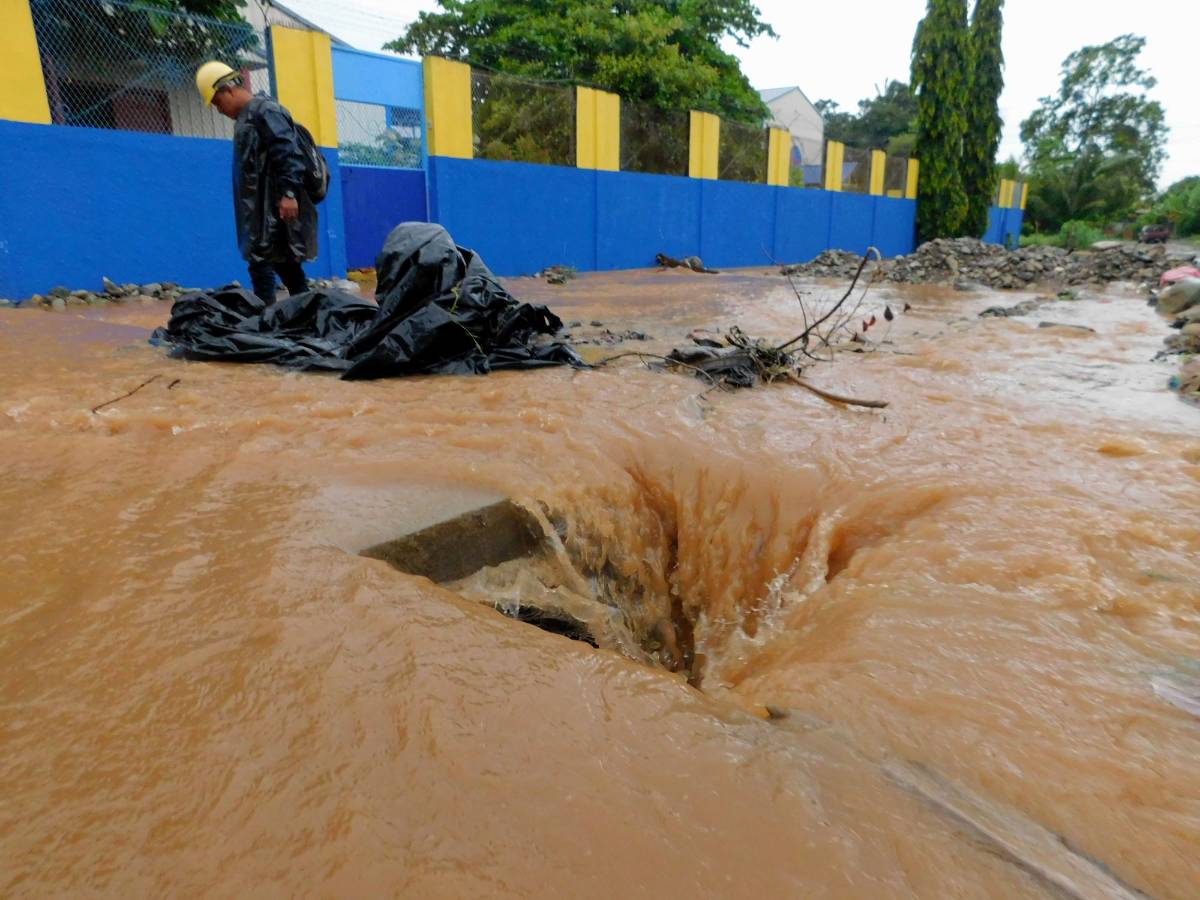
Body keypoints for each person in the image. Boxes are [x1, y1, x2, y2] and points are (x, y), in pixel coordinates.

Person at [195, 61, 320, 304]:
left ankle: (269, 323)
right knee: (285, 268)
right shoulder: (248, 117)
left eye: (218, 103)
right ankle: (303, 317)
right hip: (260, 212)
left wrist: (289, 194)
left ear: (228, 90)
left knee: (266, 268)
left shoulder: (265, 111)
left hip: (272, 211)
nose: (219, 110)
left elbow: (288, 152)